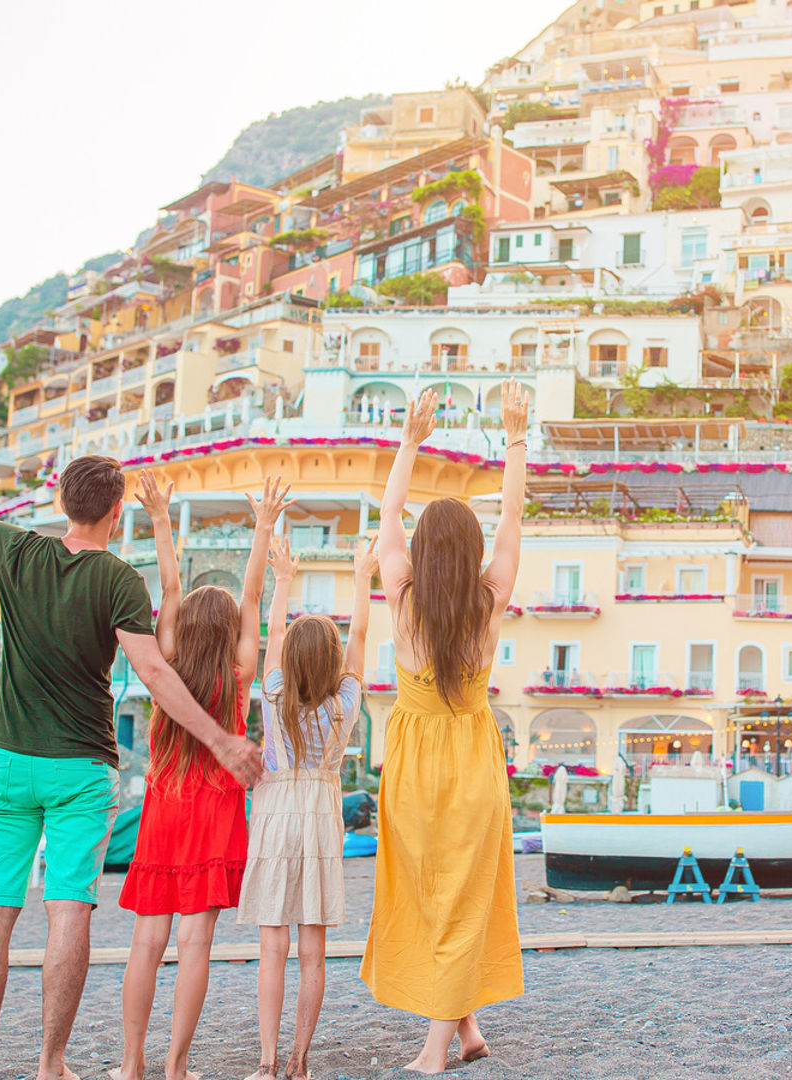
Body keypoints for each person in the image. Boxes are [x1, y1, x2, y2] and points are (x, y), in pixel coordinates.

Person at [0, 416, 258, 1080]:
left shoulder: (17, 550)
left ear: (61, 502)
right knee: (67, 909)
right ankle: (51, 1063)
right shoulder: (119, 580)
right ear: (117, 512)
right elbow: (154, 674)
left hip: (6, 761)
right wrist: (222, 739)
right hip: (81, 768)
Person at [361, 383, 529, 1074]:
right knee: (457, 893)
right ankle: (465, 1031)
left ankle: (436, 1048)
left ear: (425, 551)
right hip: (473, 760)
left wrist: (408, 440)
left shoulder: (401, 597)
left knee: (437, 893)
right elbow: (515, 518)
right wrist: (515, 438)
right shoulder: (489, 601)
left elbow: (390, 512)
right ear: (472, 550)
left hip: (412, 766)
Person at [112, 471, 289, 1080]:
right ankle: (175, 1065)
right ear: (233, 632)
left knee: (145, 943)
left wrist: (161, 517)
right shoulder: (239, 672)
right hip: (214, 814)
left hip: (164, 808)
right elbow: (254, 592)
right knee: (194, 946)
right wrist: (263, 527)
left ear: (183, 628)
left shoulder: (169, 659)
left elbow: (170, 583)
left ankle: (131, 1062)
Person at [240, 531, 373, 1080]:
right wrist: (365, 576)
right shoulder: (345, 704)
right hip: (320, 815)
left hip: (274, 814)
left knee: (273, 949)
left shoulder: (274, 694)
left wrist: (284, 581)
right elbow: (360, 634)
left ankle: (268, 1063)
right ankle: (299, 1062)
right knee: (312, 952)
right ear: (334, 661)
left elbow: (272, 638)